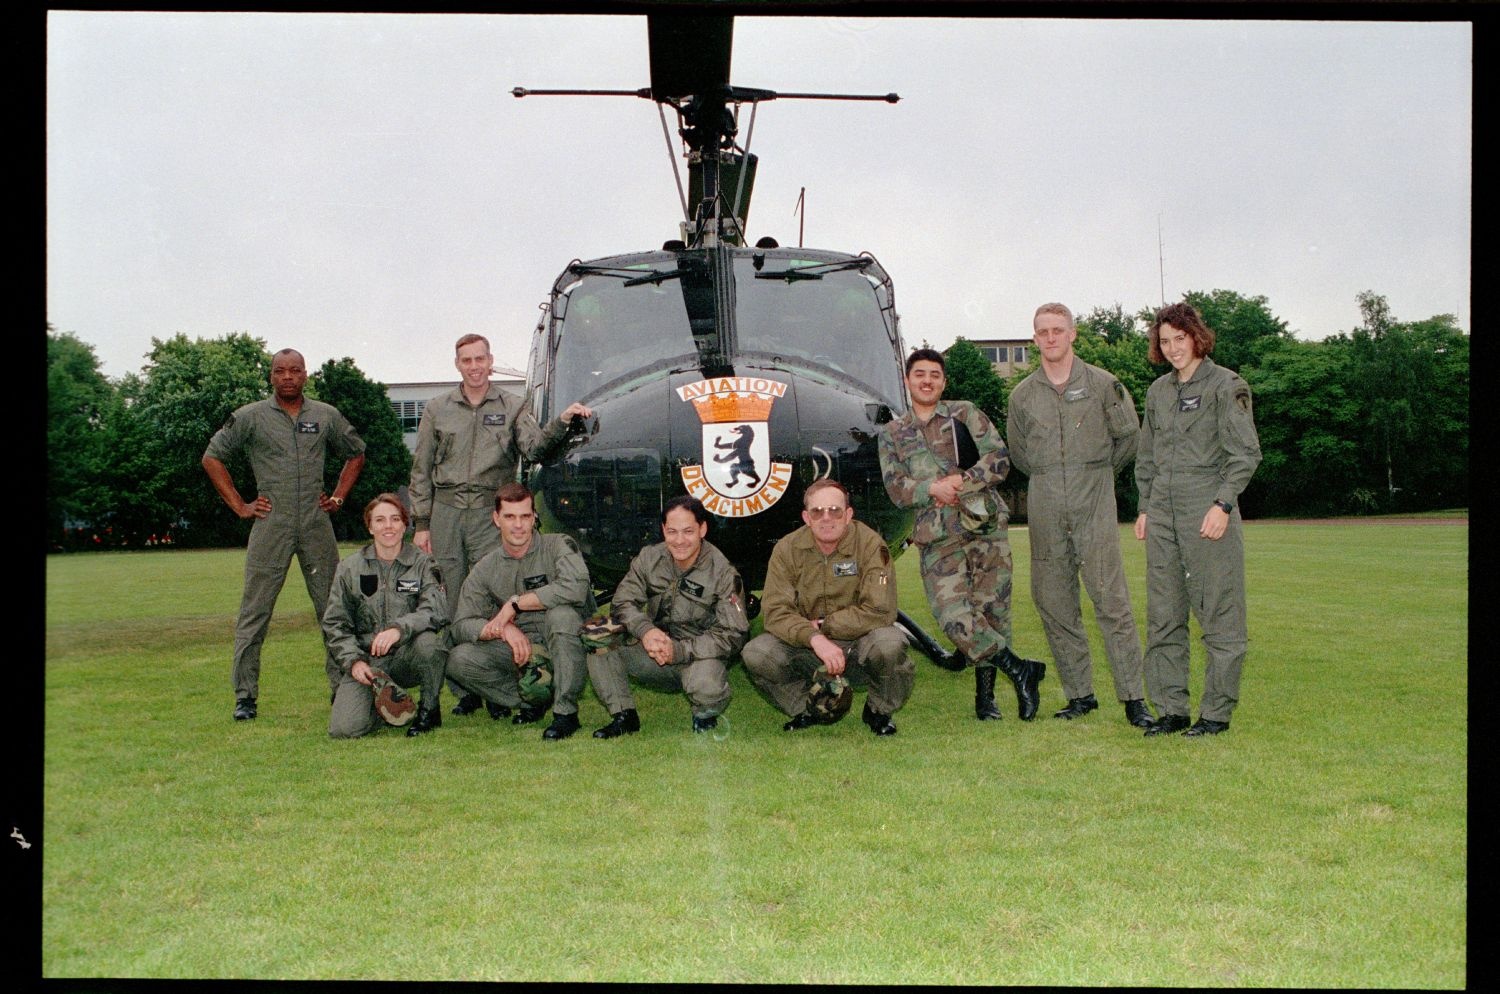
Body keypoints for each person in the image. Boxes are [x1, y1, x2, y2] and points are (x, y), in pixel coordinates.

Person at [407, 333, 593, 718]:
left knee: (494, 593)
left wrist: (561, 421)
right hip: (446, 511)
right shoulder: (437, 408)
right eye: (466, 360)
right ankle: (466, 689)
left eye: (480, 359)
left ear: (491, 361)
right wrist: (421, 522)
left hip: (491, 513)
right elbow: (421, 468)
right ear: (457, 364)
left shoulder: (512, 405)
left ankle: (505, 679)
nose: (474, 367)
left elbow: (536, 447)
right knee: (453, 598)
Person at [1007, 303, 1155, 729]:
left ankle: (1133, 697)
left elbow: (1129, 438)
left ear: (1073, 334)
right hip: (1045, 496)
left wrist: (1097, 470)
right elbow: (1019, 453)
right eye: (1042, 332)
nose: (1050, 338)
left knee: (1111, 600)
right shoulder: (1022, 396)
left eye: (1058, 330)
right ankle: (1080, 695)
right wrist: (1053, 477)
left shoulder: (1104, 385)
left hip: (1094, 494)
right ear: (1034, 339)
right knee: (1054, 601)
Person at [877, 348, 1045, 721]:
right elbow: (895, 488)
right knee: (954, 616)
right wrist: (931, 490)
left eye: (934, 375)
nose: (927, 381)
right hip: (937, 536)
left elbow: (999, 459)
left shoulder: (964, 414)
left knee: (991, 611)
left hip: (984, 526)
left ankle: (987, 701)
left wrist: (963, 481)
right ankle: (1020, 669)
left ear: (943, 381)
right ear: (907, 380)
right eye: (919, 374)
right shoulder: (891, 433)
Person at [202, 348, 366, 721]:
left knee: (333, 609)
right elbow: (212, 457)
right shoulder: (250, 417)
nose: (288, 377)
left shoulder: (325, 415)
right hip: (271, 524)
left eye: (295, 371)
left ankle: (342, 689)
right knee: (254, 611)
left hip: (315, 523)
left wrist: (338, 496)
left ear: (306, 375)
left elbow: (356, 453)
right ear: (271, 376)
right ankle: (245, 697)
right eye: (280, 371)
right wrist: (241, 506)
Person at [1134, 302, 1262, 737]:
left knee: (1220, 613)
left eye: (1179, 339)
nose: (1172, 349)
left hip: (1206, 508)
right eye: (1164, 341)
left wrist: (1223, 504)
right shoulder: (1158, 393)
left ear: (1196, 337)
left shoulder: (1227, 386)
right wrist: (1145, 507)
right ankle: (1171, 709)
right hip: (1163, 515)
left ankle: (1216, 714)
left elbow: (1245, 454)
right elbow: (1147, 455)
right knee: (1164, 614)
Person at [741, 479, 911, 736]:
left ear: (848, 515)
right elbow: (776, 612)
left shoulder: (871, 545)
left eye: (835, 510)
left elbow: (880, 610)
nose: (826, 518)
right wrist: (813, 638)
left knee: (890, 643)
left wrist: (824, 626)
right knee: (757, 652)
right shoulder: (787, 549)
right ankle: (807, 709)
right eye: (817, 511)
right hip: (807, 647)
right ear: (806, 517)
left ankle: (878, 710)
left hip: (858, 645)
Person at [587, 496, 749, 738]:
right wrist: (646, 631)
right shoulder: (649, 558)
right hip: (653, 653)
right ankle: (624, 715)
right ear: (663, 530)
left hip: (697, 656)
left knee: (707, 688)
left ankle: (705, 713)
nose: (680, 540)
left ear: (702, 529)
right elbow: (622, 602)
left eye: (688, 531)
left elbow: (734, 634)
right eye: (672, 532)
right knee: (594, 632)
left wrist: (680, 650)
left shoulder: (723, 573)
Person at [444, 482, 595, 740]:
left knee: (561, 615)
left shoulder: (558, 545)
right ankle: (531, 700)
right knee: (458, 659)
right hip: (521, 649)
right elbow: (461, 624)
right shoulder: (486, 567)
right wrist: (504, 630)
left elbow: (576, 588)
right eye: (510, 517)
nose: (518, 525)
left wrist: (516, 603)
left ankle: (565, 712)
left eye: (525, 516)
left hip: (565, 640)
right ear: (496, 519)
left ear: (534, 517)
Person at [322, 494, 448, 738]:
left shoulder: (423, 564)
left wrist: (399, 629)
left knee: (431, 644)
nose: (388, 526)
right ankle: (383, 702)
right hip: (368, 662)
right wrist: (353, 662)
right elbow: (335, 624)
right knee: (344, 730)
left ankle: (429, 708)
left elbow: (436, 609)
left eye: (394, 519)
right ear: (370, 527)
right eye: (380, 520)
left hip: (407, 655)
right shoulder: (349, 568)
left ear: (404, 524)